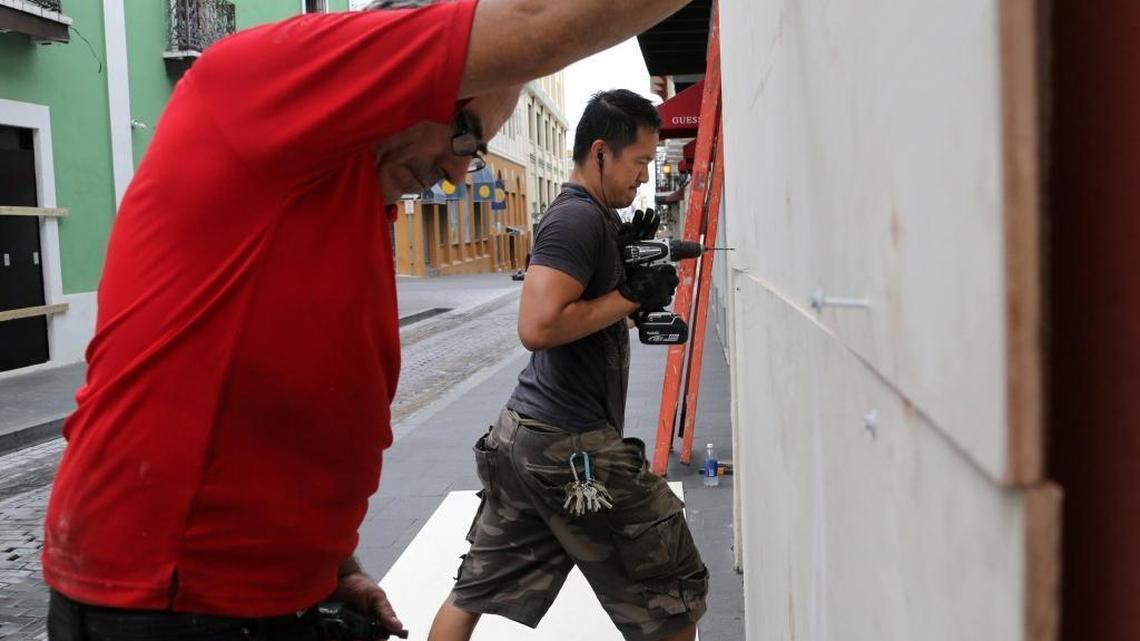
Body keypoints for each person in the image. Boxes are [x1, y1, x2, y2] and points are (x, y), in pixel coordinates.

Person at [41, 1, 692, 639]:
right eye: (464, 131)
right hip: (173, 598)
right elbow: (537, 24)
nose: (457, 170)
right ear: (399, 70)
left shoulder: (341, 189)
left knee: (481, 588)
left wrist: (329, 565)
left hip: (260, 591)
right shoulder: (266, 77)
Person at [427, 90, 707, 641]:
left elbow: (578, 323)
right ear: (601, 152)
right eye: (639, 163)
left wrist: (627, 301)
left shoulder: (595, 217)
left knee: (474, 591)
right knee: (671, 595)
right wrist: (629, 294)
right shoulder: (575, 219)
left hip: (528, 439)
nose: (641, 177)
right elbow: (538, 328)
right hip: (569, 447)